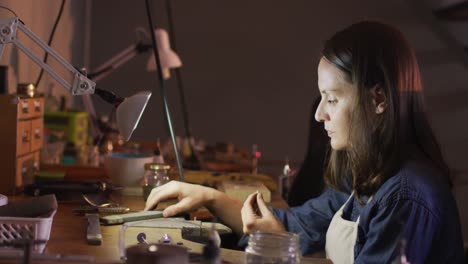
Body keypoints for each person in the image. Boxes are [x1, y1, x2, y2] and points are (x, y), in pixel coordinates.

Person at [145, 21, 464, 263]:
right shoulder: (369, 174)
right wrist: (207, 197)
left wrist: (279, 251)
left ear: (378, 98)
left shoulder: (405, 197)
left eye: (332, 99)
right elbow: (296, 224)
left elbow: (285, 237)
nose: (319, 115)